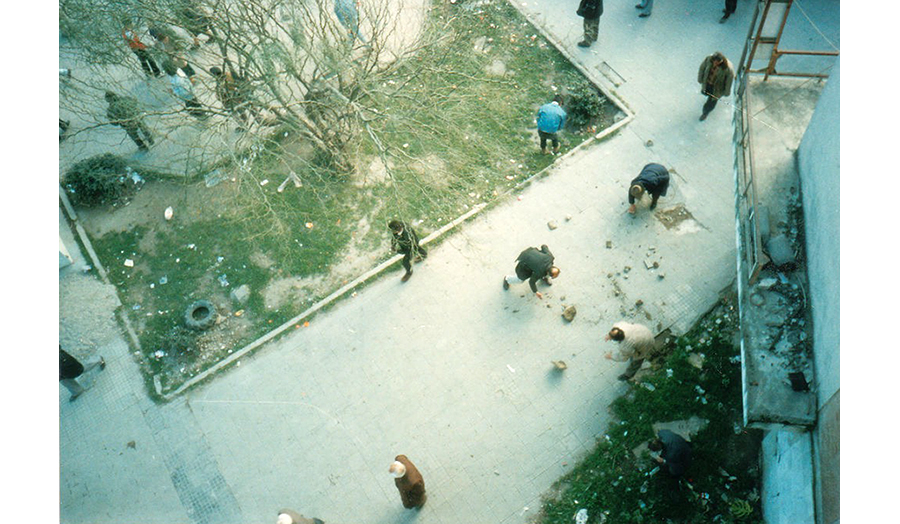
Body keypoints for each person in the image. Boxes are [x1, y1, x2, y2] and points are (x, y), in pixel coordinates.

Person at [697, 52, 734, 121]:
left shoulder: (727, 68)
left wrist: (726, 92)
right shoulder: (708, 59)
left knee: (712, 102)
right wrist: (700, 78)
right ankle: (707, 102)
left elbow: (729, 81)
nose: (715, 63)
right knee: (705, 93)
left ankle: (705, 113)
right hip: (708, 83)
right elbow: (702, 68)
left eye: (718, 62)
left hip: (718, 88)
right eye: (715, 61)